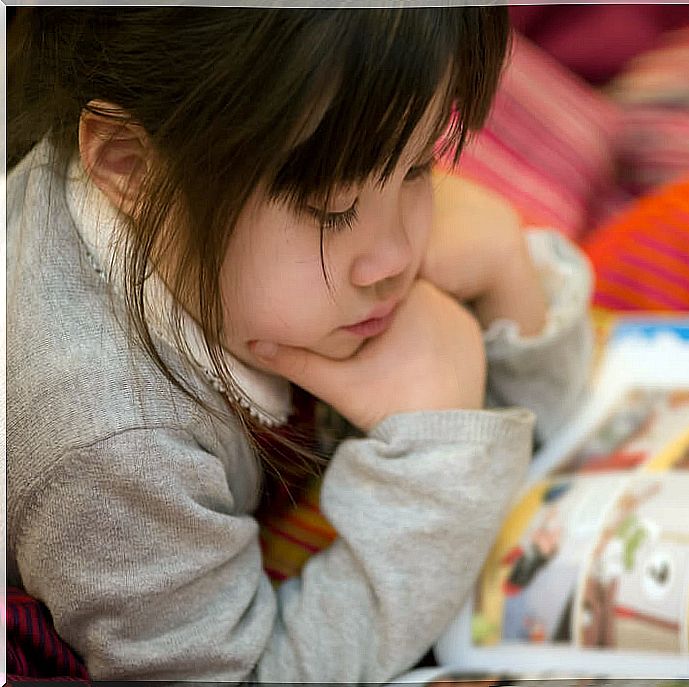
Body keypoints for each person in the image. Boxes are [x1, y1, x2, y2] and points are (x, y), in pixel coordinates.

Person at [6, 7, 593, 682]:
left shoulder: (321, 208)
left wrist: (508, 273)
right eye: (330, 205)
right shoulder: (109, 440)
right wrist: (436, 472)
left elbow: (561, 426)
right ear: (130, 166)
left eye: (419, 169)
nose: (396, 256)